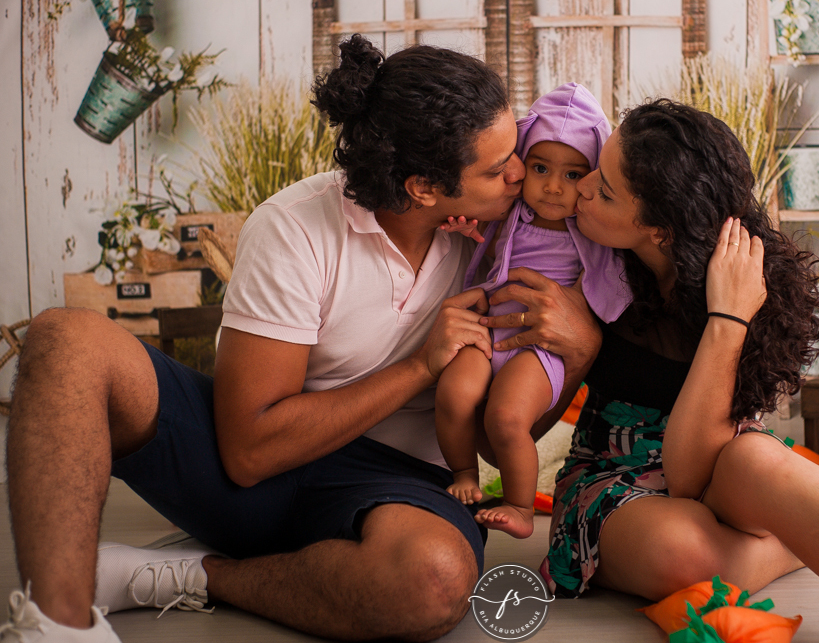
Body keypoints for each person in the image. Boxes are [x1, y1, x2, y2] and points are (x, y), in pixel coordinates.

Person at [1, 35, 602, 642]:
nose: (522, 174)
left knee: (435, 583)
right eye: (500, 167)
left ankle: (194, 575)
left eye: (516, 149)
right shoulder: (296, 229)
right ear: (423, 187)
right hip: (262, 467)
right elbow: (249, 452)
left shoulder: (501, 245)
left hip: (409, 488)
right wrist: (421, 366)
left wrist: (577, 354)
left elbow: (496, 447)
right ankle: (58, 625)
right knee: (63, 339)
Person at [515, 98, 819, 643]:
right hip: (608, 475)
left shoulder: (744, 278)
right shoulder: (572, 255)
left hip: (716, 459)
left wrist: (727, 320)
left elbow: (692, 474)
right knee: (681, 553)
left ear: (660, 229)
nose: (581, 186)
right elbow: (527, 414)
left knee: (755, 455)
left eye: (605, 188)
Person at [433, 82, 632, 540]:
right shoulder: (509, 212)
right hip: (489, 328)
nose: (551, 186)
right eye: (540, 167)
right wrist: (466, 226)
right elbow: (476, 229)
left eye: (572, 174)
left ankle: (520, 506)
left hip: (540, 346)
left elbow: (610, 282)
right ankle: (464, 474)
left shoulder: (589, 228)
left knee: (507, 417)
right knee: (454, 392)